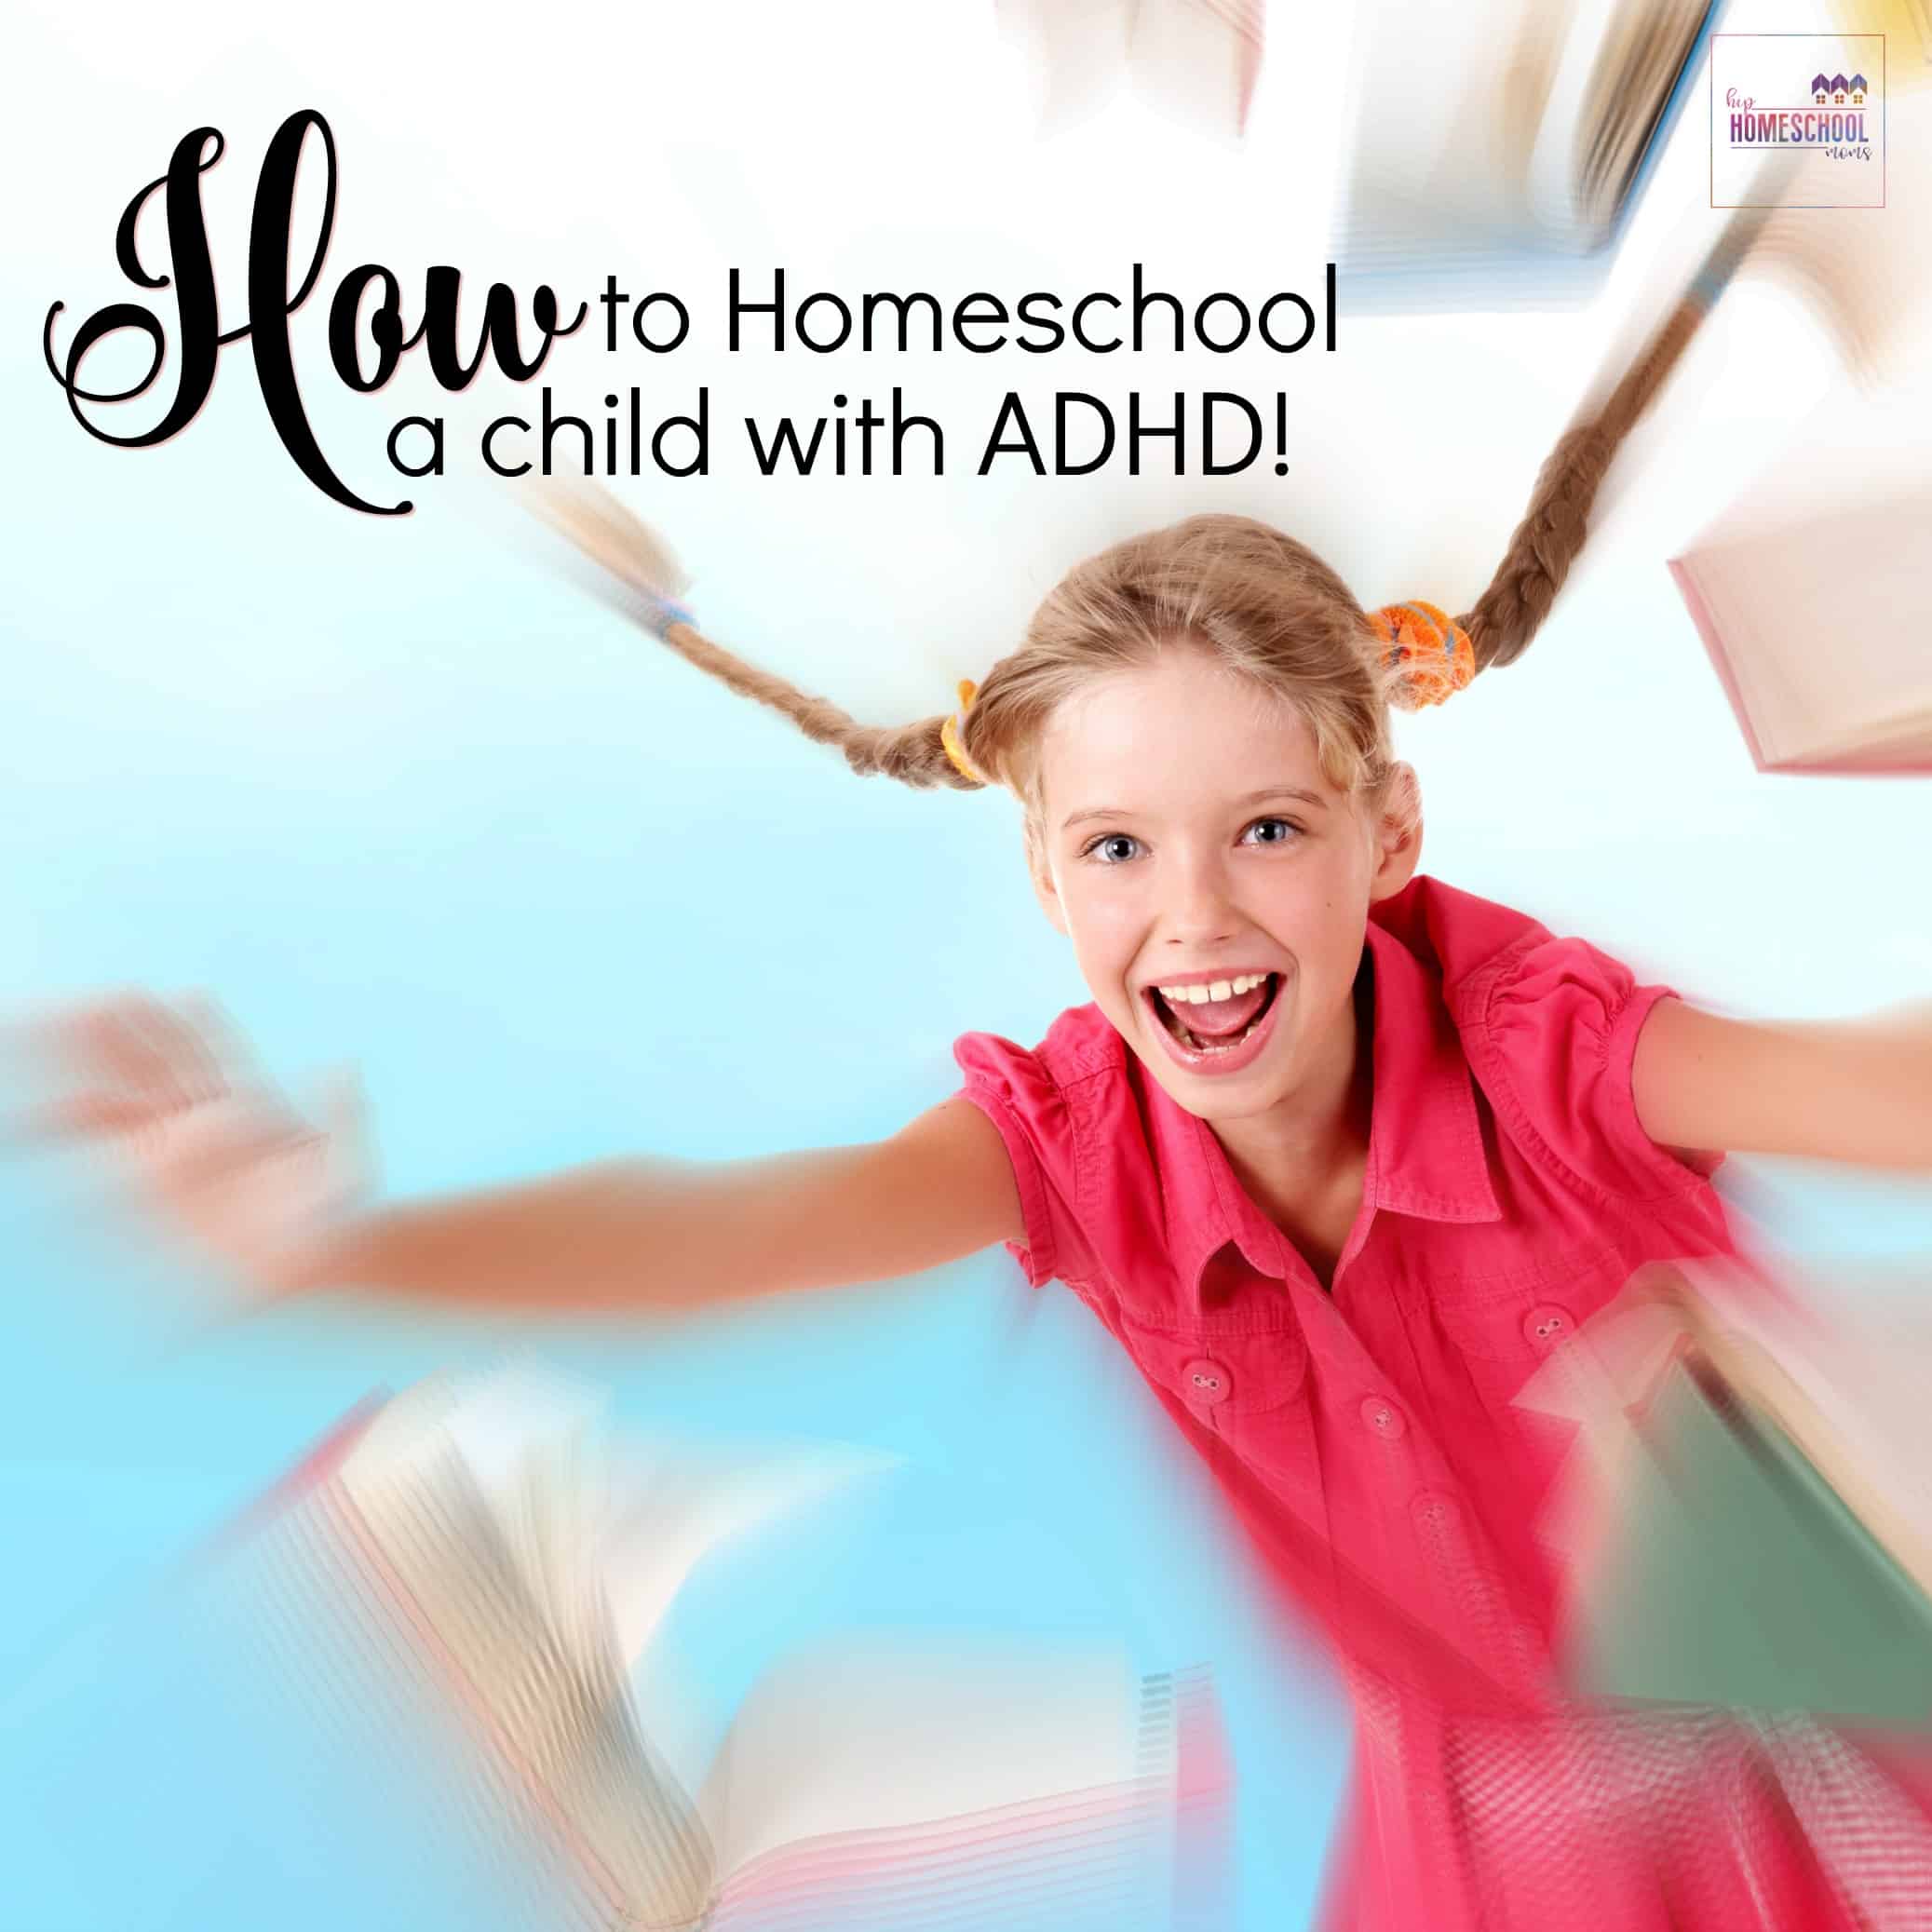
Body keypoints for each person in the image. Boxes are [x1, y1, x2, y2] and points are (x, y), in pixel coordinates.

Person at [17, 282, 1932, 1931]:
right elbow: (724, 1232)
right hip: (1490, 1867)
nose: (1195, 917)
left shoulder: (1549, 1052)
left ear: (1388, 834)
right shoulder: (1073, 1150)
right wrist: (335, 1250)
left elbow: (1879, 1091)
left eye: (1268, 830)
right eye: (1118, 848)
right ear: (1043, 874)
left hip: (1833, 1780)